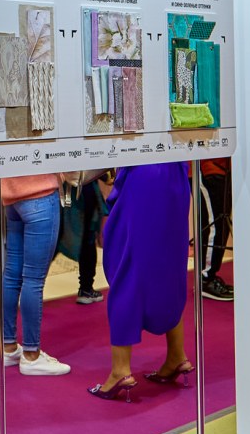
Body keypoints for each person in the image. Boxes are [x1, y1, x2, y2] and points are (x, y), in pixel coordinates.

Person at [90, 163, 193, 402]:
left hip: (144, 173)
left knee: (127, 271)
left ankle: (120, 370)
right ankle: (177, 355)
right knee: (169, 266)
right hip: (176, 174)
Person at [0, 170, 70, 376]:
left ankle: (8, 347)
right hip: (40, 193)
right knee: (33, 279)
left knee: (12, 275)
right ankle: (31, 355)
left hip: (11, 196)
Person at [194, 158, 234, 301]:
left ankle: (209, 275)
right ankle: (206, 279)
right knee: (214, 224)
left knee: (220, 222)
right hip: (206, 167)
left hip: (221, 167)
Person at [74, 176, 107, 305]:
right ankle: (86, 288)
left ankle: (29, 286)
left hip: (64, 189)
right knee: (88, 238)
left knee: (57, 239)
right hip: (84, 188)